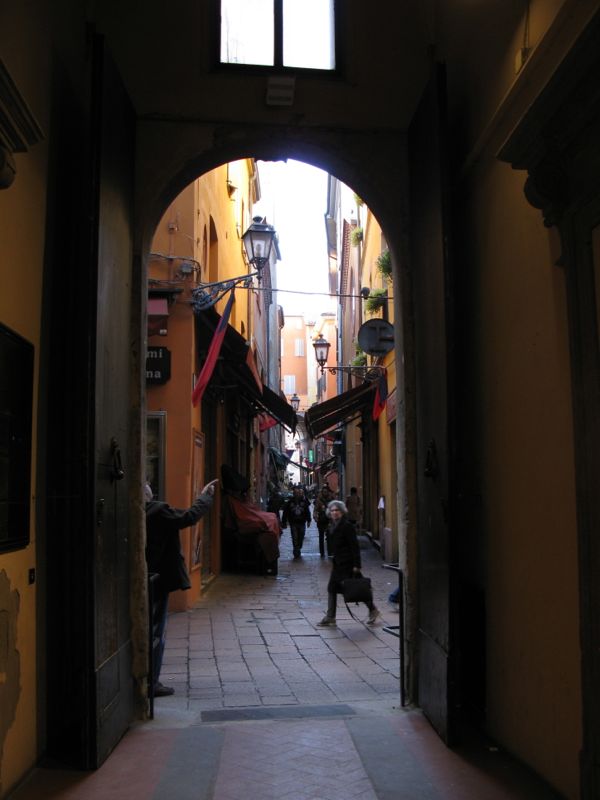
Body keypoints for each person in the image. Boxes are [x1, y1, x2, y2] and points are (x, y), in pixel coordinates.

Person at [145, 478, 218, 696]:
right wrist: (206, 496)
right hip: (157, 580)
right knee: (156, 631)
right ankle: (151, 682)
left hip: (143, 577)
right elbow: (189, 517)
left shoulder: (131, 513)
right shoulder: (157, 511)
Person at [317, 499, 381, 626]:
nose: (334, 513)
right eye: (332, 511)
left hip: (348, 564)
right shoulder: (333, 525)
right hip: (338, 564)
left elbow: (354, 546)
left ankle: (373, 610)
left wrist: (357, 565)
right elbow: (322, 521)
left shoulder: (347, 526)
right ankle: (330, 616)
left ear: (342, 512)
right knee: (333, 588)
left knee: (357, 588)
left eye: (337, 510)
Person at [281, 484, 311, 558]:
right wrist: (284, 522)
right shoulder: (290, 502)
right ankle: (296, 550)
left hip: (302, 522)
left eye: (298, 492)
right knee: (294, 537)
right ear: (293, 493)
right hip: (293, 522)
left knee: (301, 535)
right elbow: (285, 512)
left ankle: (299, 547)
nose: (297, 494)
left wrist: (309, 520)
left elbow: (307, 511)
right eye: (295, 493)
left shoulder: (304, 501)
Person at [313, 483, 334, 558]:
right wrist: (315, 517)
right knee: (321, 537)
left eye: (326, 491)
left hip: (329, 521)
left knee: (329, 537)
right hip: (321, 520)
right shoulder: (319, 500)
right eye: (324, 491)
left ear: (328, 492)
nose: (325, 493)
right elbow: (315, 510)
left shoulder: (331, 499)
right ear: (322, 492)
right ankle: (322, 553)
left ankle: (330, 552)